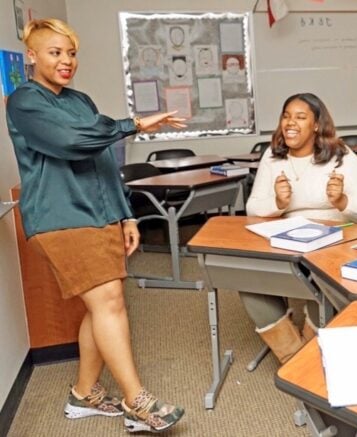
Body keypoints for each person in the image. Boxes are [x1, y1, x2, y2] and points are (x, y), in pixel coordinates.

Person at [6, 19, 186, 434]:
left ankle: (83, 394)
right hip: (62, 217)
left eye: (71, 54)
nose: (66, 61)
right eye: (55, 53)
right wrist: (134, 124)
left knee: (103, 304)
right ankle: (136, 400)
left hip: (98, 212)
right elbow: (72, 142)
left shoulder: (80, 100)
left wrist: (125, 213)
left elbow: (103, 158)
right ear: (31, 56)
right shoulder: (24, 102)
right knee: (108, 303)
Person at [245, 93, 357, 363]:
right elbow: (252, 207)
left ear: (317, 125)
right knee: (246, 278)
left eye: (300, 117)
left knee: (321, 283)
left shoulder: (340, 156)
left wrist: (342, 201)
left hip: (335, 244)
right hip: (289, 243)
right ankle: (298, 360)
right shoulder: (273, 156)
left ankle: (301, 360)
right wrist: (278, 203)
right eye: (286, 116)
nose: (290, 123)